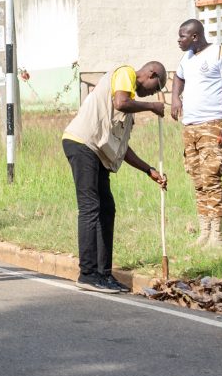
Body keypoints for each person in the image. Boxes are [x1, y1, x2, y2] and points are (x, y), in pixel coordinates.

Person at [62, 62, 169, 293]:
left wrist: (148, 170)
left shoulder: (128, 109)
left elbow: (122, 148)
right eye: (154, 88)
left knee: (107, 208)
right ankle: (88, 274)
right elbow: (121, 101)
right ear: (151, 74)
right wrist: (151, 106)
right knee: (90, 207)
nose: (151, 94)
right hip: (82, 144)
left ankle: (104, 274)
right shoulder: (125, 73)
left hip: (97, 152)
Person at [171, 19, 222, 246]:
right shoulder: (187, 57)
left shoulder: (221, 53)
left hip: (213, 124)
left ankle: (217, 235)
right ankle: (204, 231)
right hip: (190, 127)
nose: (179, 40)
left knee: (211, 176)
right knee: (197, 178)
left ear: (195, 37)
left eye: (182, 36)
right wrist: (174, 99)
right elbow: (178, 77)